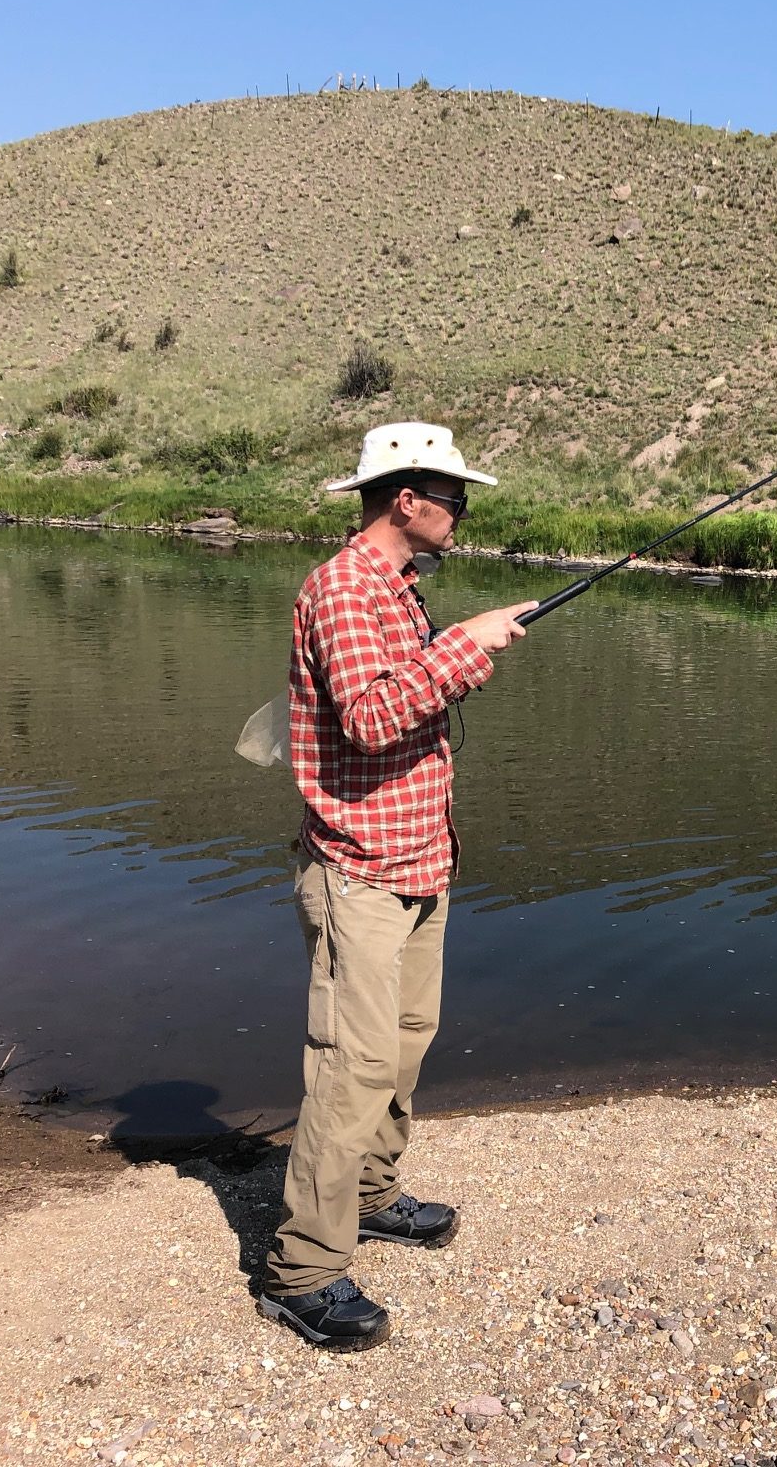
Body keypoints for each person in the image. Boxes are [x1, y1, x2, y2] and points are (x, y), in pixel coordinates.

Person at [259, 421, 537, 1351]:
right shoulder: (342, 589)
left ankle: (372, 1197)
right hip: (358, 869)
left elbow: (400, 695)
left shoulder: (399, 590)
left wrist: (454, 651)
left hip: (421, 857)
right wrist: (467, 646)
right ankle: (302, 1271)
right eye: (455, 497)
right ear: (406, 501)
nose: (464, 512)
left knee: (407, 1040)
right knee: (352, 1065)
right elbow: (374, 718)